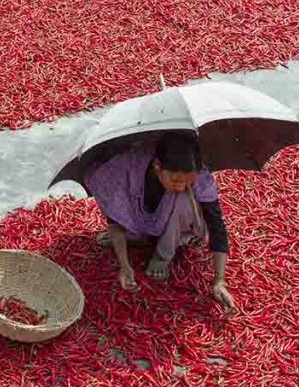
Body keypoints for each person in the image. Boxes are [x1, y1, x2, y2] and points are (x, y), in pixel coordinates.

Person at [84, 132, 236, 312]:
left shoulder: (198, 175)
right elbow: (115, 218)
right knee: (127, 208)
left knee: (180, 199)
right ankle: (138, 237)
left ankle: (163, 255)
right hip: (146, 219)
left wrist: (219, 281)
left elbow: (216, 225)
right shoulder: (130, 166)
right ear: (157, 166)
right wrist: (124, 266)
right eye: (175, 180)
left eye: (188, 181)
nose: (181, 185)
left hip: (185, 225)